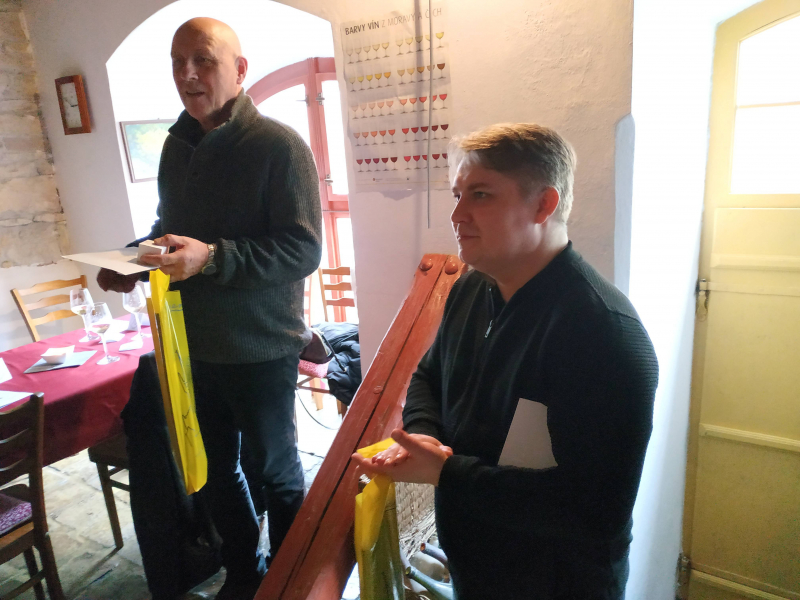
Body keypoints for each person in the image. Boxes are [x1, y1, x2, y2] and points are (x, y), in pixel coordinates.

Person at [352, 123, 658, 599]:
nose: (457, 215)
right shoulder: (472, 287)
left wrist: (446, 473)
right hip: (476, 566)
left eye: (481, 195)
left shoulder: (603, 332)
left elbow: (595, 513)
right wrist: (426, 433)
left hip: (558, 584)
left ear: (544, 205)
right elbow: (431, 373)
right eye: (458, 194)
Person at [98, 17, 322, 600]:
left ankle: (292, 581)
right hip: (191, 345)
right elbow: (168, 229)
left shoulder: (279, 147)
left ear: (240, 70)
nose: (188, 74)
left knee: (276, 473)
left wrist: (214, 258)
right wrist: (134, 260)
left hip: (261, 346)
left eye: (203, 59)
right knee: (215, 469)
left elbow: (303, 250)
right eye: (178, 62)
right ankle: (245, 574)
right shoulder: (176, 147)